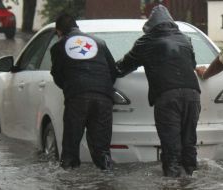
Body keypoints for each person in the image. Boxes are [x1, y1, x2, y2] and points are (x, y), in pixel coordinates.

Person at [116, 5, 201, 177]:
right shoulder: (185, 39)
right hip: (193, 95)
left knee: (171, 147)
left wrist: (102, 70)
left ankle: (171, 183)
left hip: (168, 97)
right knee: (189, 143)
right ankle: (192, 179)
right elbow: (192, 65)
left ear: (150, 25)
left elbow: (122, 67)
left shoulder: (146, 42)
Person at [50, 13, 116, 170]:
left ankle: (69, 182)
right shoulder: (100, 43)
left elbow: (57, 75)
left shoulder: (58, 46)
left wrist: (71, 89)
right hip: (104, 97)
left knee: (70, 149)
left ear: (59, 31)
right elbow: (113, 71)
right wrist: (101, 89)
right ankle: (108, 181)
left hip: (77, 98)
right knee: (102, 150)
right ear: (76, 26)